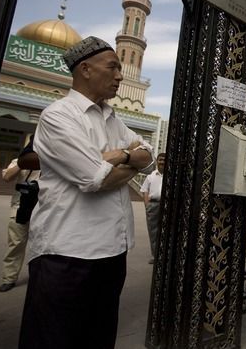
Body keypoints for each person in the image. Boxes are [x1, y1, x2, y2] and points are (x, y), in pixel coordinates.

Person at [19, 36, 155, 349]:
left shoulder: (112, 118)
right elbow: (96, 179)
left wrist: (118, 156)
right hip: (67, 255)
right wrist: (126, 156)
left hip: (111, 253)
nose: (120, 75)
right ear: (86, 70)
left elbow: (147, 155)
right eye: (113, 67)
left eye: (121, 69)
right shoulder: (59, 116)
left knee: (97, 337)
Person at [0, 138, 40, 293]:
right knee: (15, 245)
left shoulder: (49, 163)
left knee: (40, 246)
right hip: (19, 209)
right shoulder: (19, 161)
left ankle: (37, 276)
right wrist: (24, 163)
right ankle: (9, 278)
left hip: (42, 211)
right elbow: (7, 177)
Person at [140, 152, 165, 264]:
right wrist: (147, 205)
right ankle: (155, 255)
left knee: (166, 230)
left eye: (164, 160)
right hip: (153, 205)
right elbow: (145, 191)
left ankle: (164, 254)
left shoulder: (171, 176)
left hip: (166, 206)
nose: (162, 162)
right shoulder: (150, 176)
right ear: (157, 161)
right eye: (160, 160)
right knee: (153, 231)